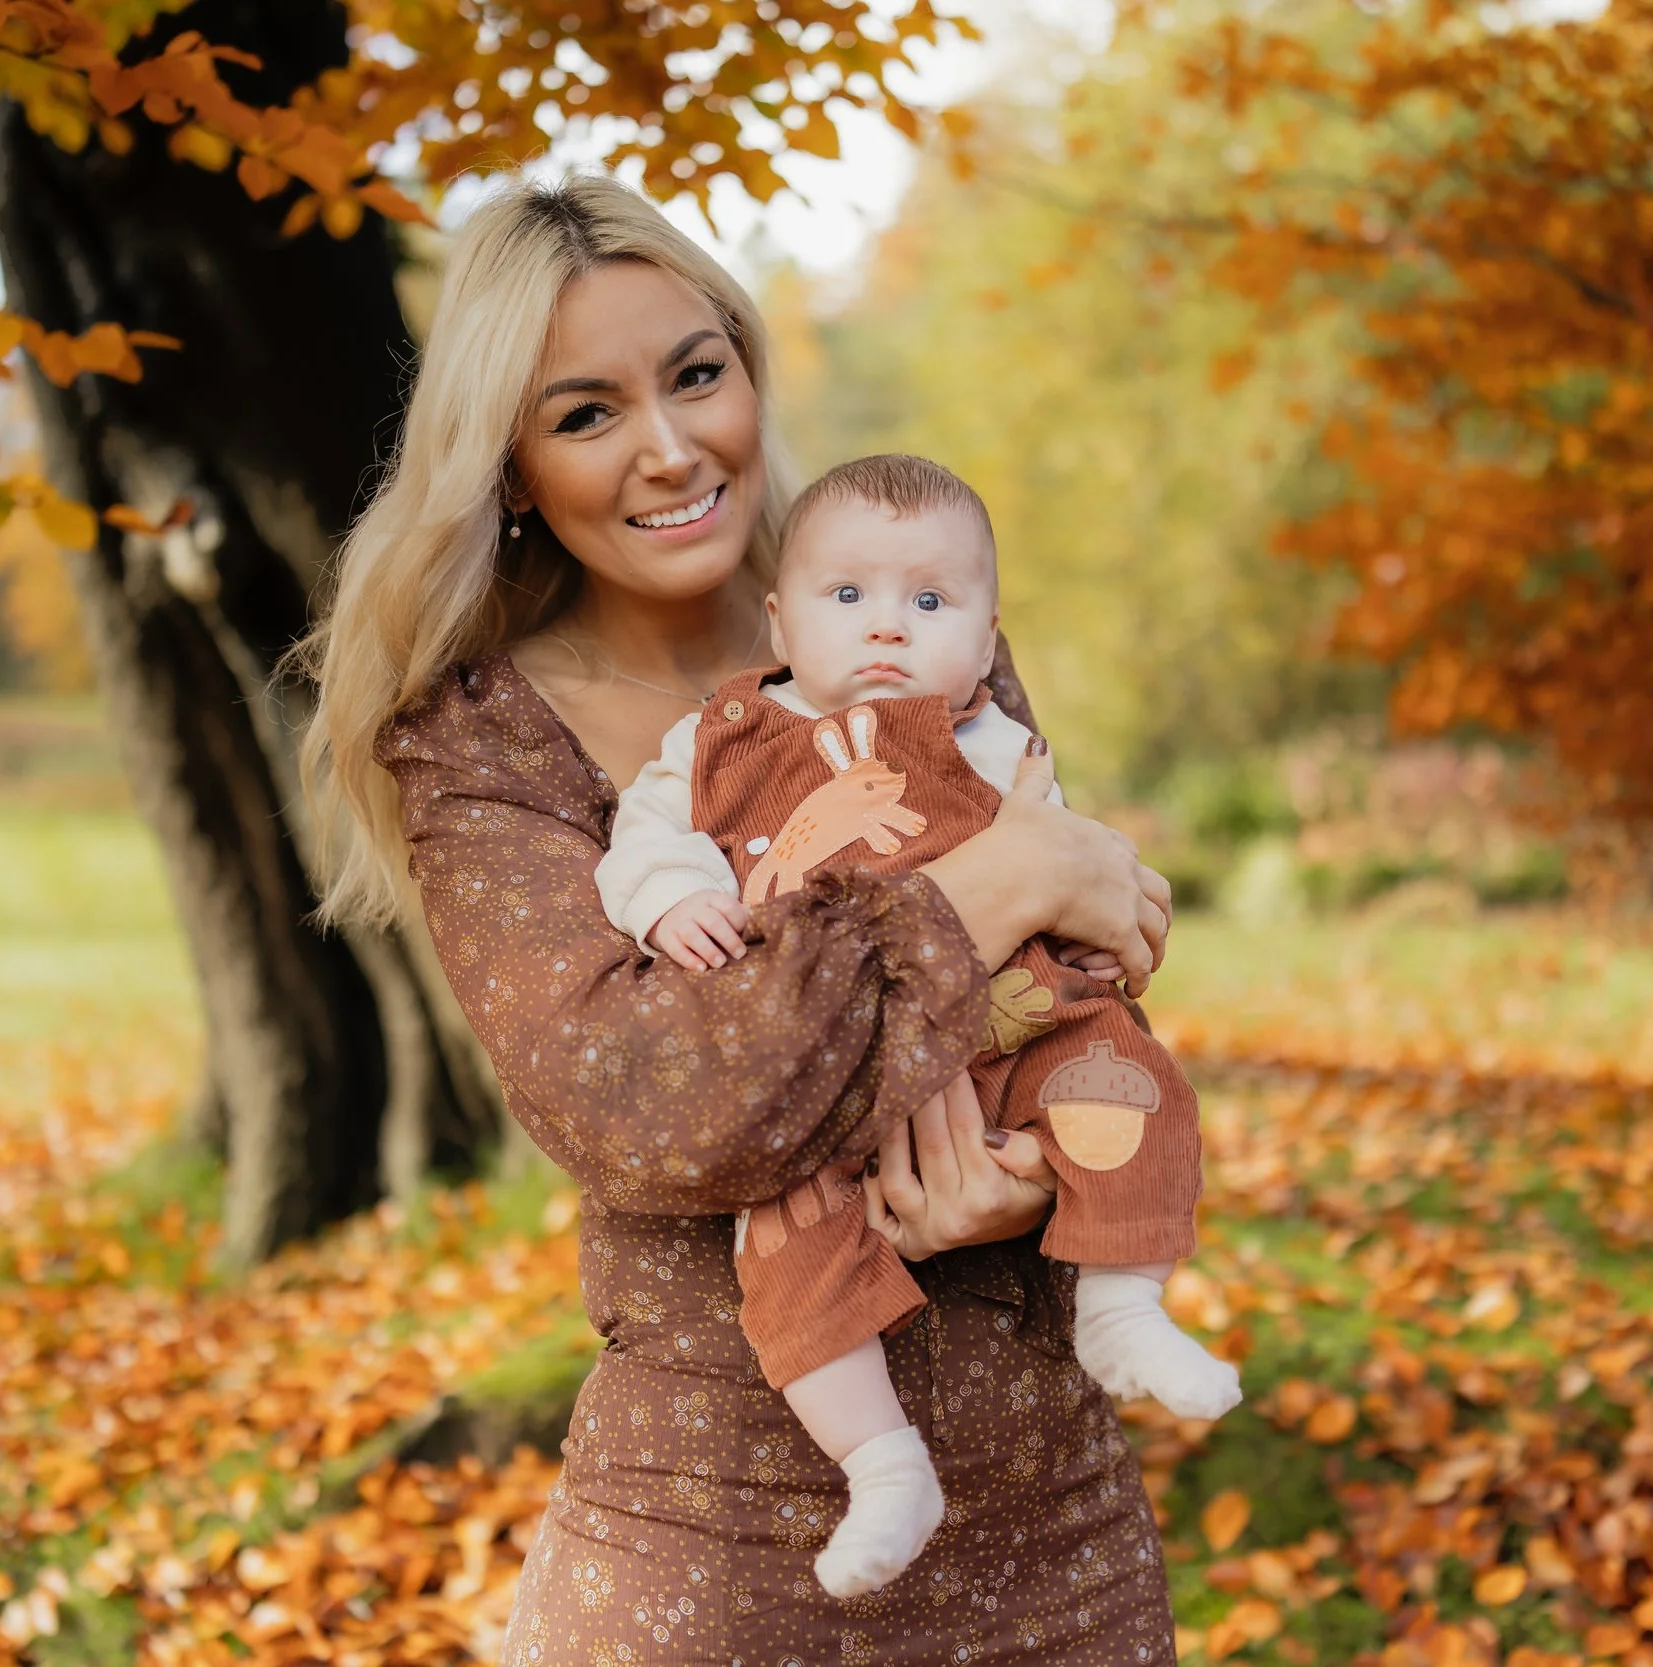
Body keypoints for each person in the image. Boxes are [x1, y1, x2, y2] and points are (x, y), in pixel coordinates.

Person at [306, 174, 1184, 1664]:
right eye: (584, 413)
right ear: (511, 465)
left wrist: (1037, 1178)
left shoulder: (899, 616)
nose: (669, 446)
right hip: (712, 1559)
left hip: (1057, 1542)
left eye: (697, 374)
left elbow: (1080, 994)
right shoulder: (480, 743)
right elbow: (654, 1103)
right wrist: (1009, 878)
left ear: (751, 375)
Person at [592, 453, 1240, 1598]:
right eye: (849, 598)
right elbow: (644, 837)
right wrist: (672, 894)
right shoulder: (719, 744)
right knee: (786, 1236)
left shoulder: (991, 740)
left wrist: (1101, 925)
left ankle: (1123, 1304)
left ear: (988, 638)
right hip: (820, 1063)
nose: (887, 627)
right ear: (781, 617)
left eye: (929, 603)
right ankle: (882, 1461)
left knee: (1124, 1077)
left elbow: (1071, 862)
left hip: (1006, 1029)